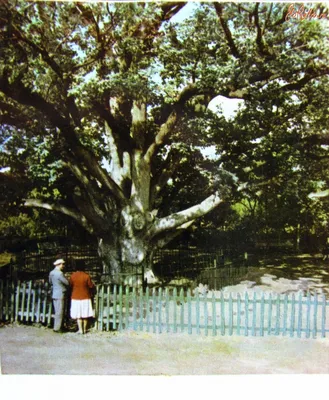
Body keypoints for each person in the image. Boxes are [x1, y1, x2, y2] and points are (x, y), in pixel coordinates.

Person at [69, 261, 95, 334]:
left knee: (78, 314)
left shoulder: (73, 276)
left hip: (76, 297)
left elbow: (70, 285)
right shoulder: (86, 276)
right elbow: (91, 286)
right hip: (85, 297)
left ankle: (80, 330)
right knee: (85, 314)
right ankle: (85, 329)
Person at [49, 258, 69, 333]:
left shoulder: (51, 273)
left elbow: (50, 282)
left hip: (55, 293)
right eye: (62, 264)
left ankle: (57, 326)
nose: (63, 266)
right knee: (60, 311)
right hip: (61, 293)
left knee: (57, 311)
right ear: (59, 265)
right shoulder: (60, 273)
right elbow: (66, 283)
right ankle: (58, 327)